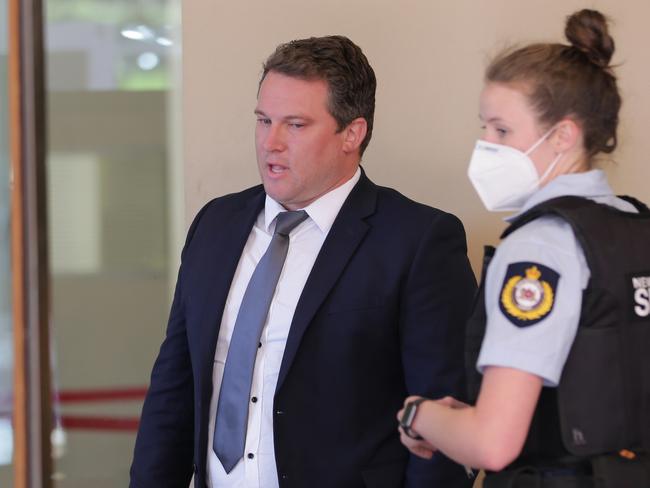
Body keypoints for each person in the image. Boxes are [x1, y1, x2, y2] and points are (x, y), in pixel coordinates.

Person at [130, 35, 477, 488]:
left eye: (295, 125)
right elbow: (173, 390)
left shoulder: (418, 241)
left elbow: (444, 422)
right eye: (263, 120)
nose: (270, 143)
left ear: (352, 133)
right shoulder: (215, 224)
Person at [397, 9, 650, 488]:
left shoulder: (541, 247)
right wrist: (468, 418)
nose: (485, 145)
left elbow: (494, 443)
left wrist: (420, 415)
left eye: (501, 130)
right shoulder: (638, 225)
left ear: (563, 136)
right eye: (484, 128)